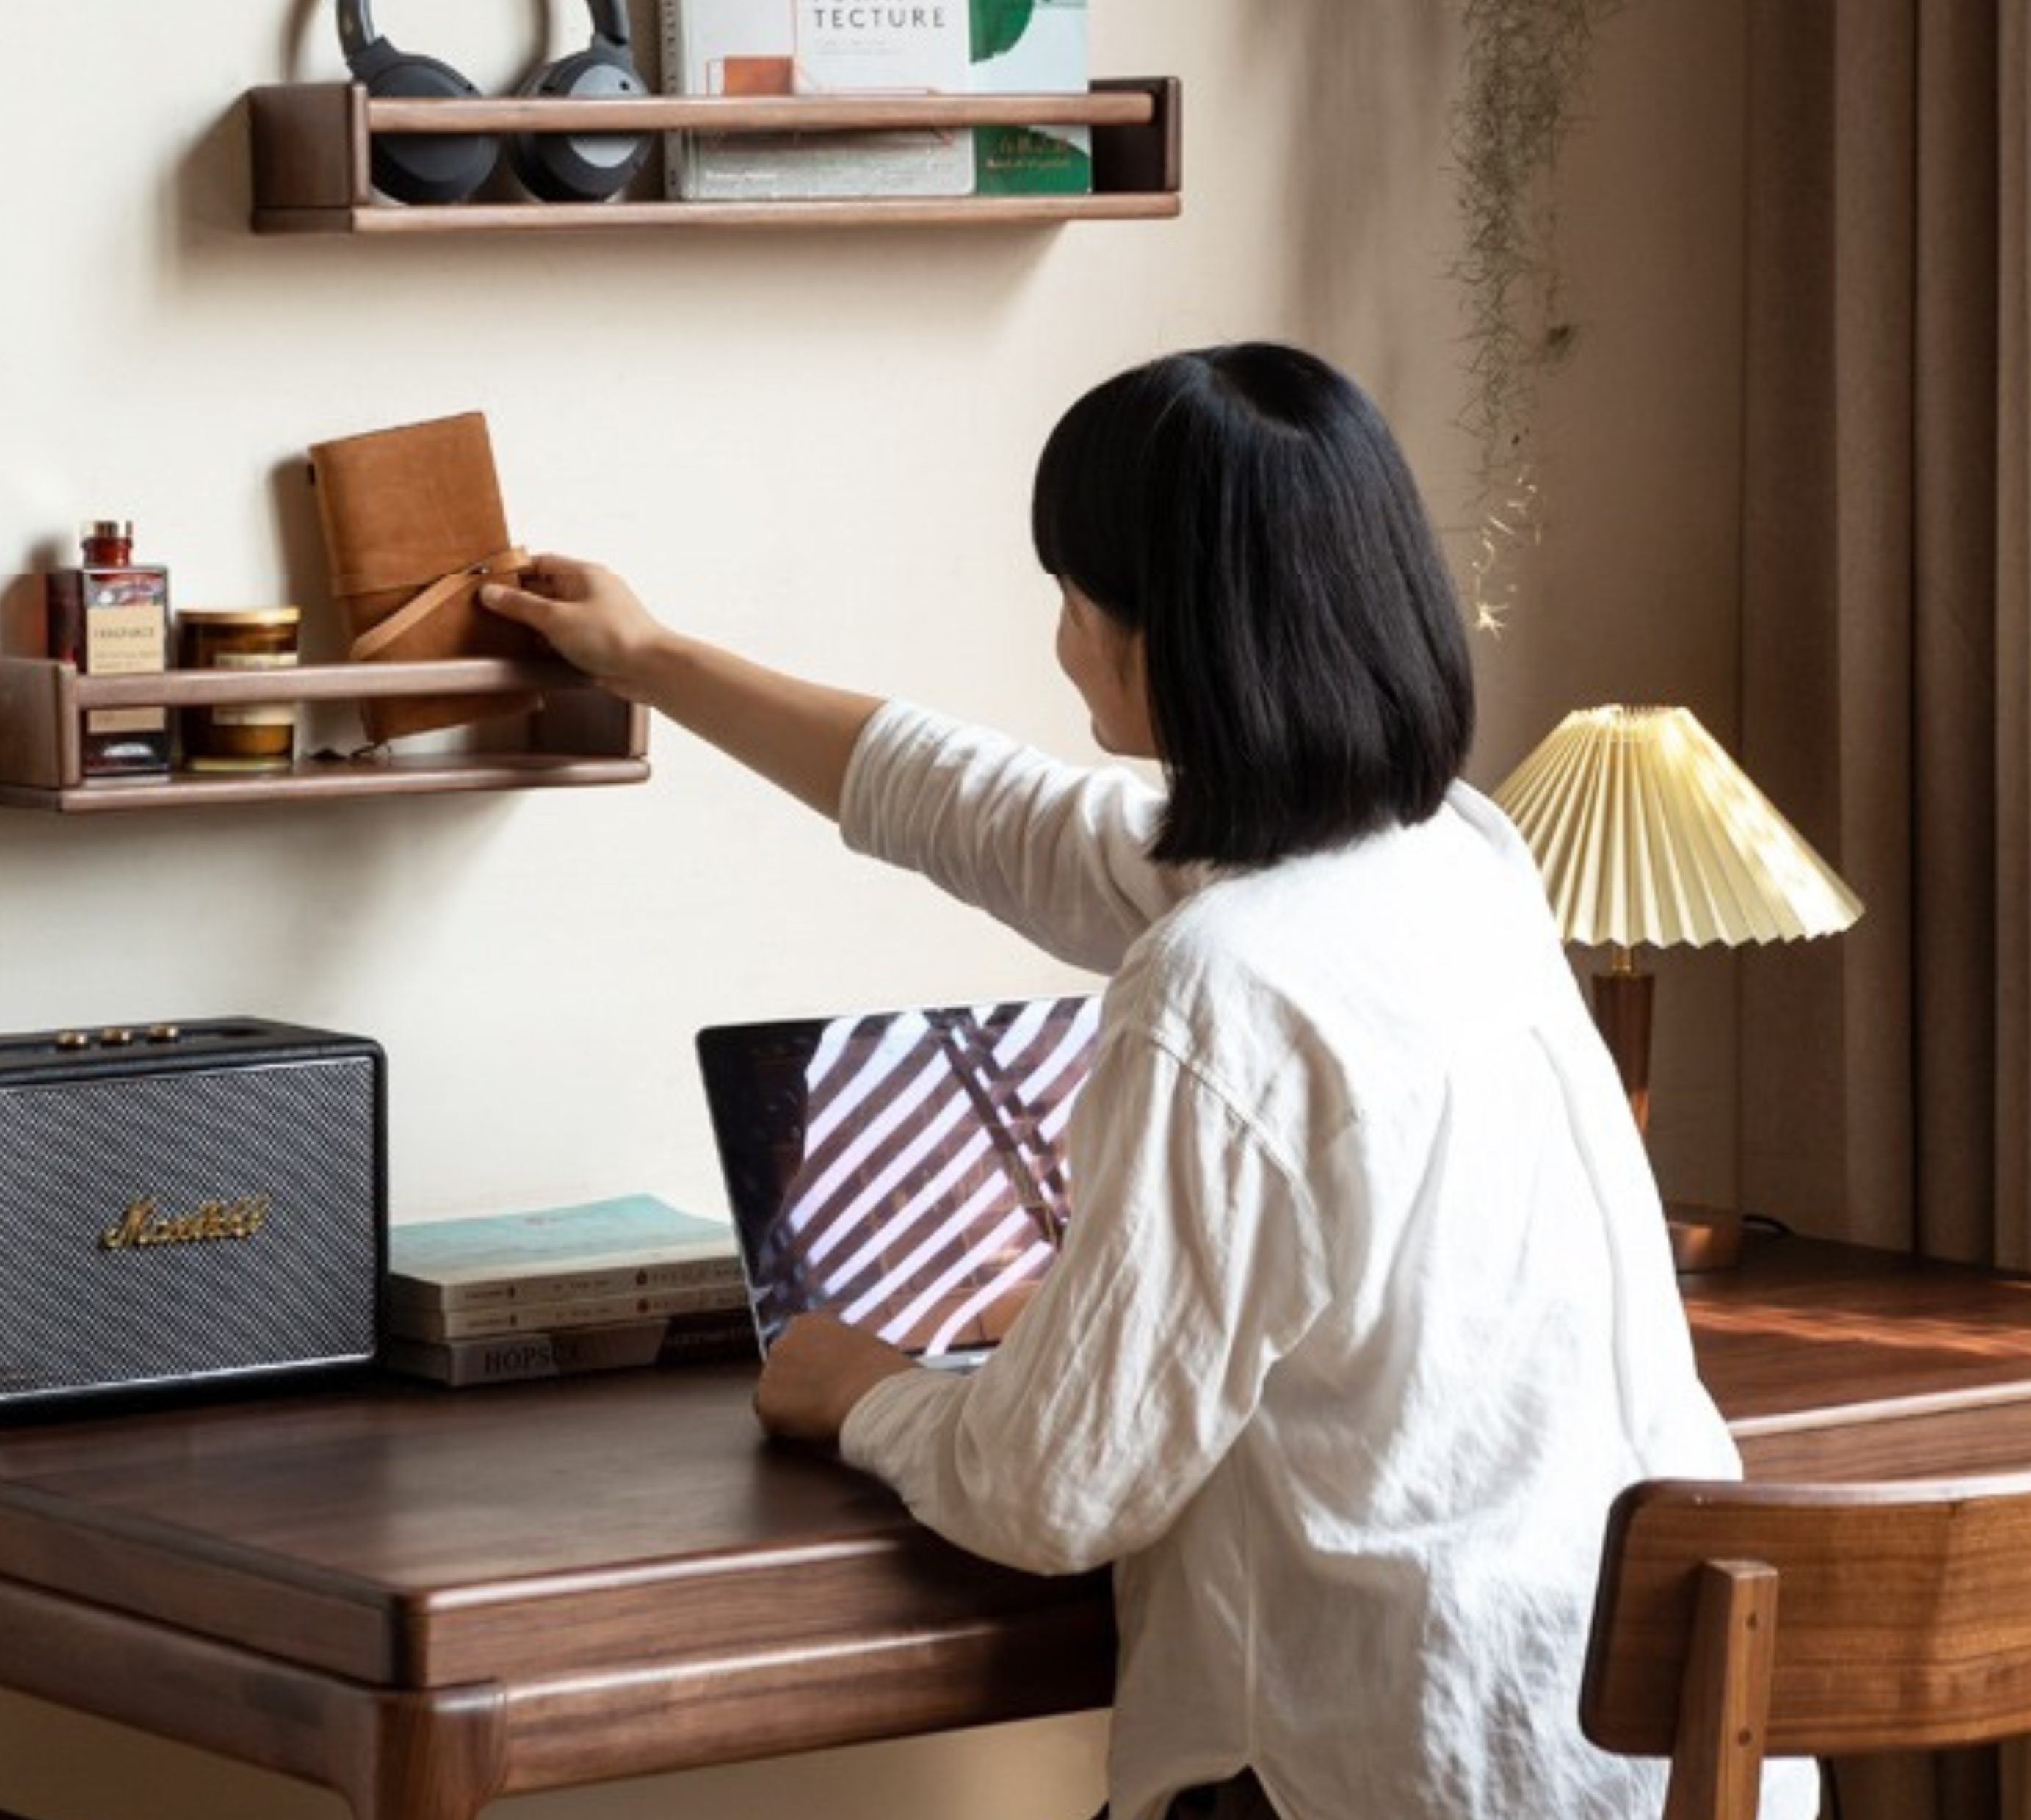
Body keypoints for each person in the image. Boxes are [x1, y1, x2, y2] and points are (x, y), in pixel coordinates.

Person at [480, 342, 1813, 1820]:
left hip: (1369, 1777)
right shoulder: (1459, 856)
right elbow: (990, 811)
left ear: (1166, 629)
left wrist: (862, 1388)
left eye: (1071, 592)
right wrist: (653, 655)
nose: (1059, 640)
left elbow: (1057, 1492)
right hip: (1622, 1764)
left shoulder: (1222, 977)